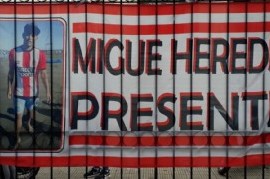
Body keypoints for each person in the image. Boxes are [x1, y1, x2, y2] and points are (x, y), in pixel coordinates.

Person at [7, 23, 51, 149]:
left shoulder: (40, 54)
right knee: (18, 116)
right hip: (18, 93)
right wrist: (9, 88)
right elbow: (11, 72)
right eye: (27, 34)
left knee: (31, 111)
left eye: (33, 35)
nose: (29, 37)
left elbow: (43, 74)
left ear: (36, 37)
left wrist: (48, 92)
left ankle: (29, 123)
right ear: (23, 35)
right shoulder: (13, 52)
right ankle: (17, 138)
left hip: (33, 93)